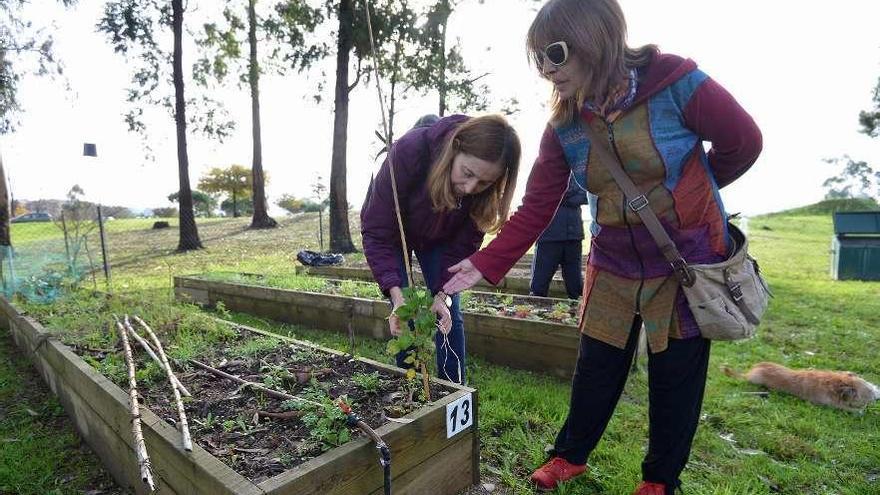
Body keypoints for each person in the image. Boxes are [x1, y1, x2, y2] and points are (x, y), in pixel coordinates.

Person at [442, 0, 762, 492]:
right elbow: (537, 205)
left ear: (595, 38)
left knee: (675, 373)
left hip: (683, 261)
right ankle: (569, 455)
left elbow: (744, 141)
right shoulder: (565, 126)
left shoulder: (676, 84)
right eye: (538, 58)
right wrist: (487, 263)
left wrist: (692, 194)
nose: (547, 68)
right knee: (597, 362)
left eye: (555, 52)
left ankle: (660, 479)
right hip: (613, 261)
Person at [360, 114, 521, 385]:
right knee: (405, 309)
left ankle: (452, 388)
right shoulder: (409, 152)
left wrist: (443, 293)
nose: (471, 188)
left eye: (483, 183)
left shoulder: (481, 195)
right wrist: (396, 294)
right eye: (467, 173)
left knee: (448, 311)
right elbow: (378, 232)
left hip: (441, 240)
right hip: (395, 235)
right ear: (454, 147)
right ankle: (409, 384)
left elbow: (465, 245)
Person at [529, 174, 587, 299]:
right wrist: (569, 194)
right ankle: (536, 315)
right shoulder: (546, 172)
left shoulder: (579, 174)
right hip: (549, 236)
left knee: (576, 286)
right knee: (538, 286)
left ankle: (577, 316)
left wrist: (559, 194)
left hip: (573, 237)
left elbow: (586, 196)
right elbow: (542, 194)